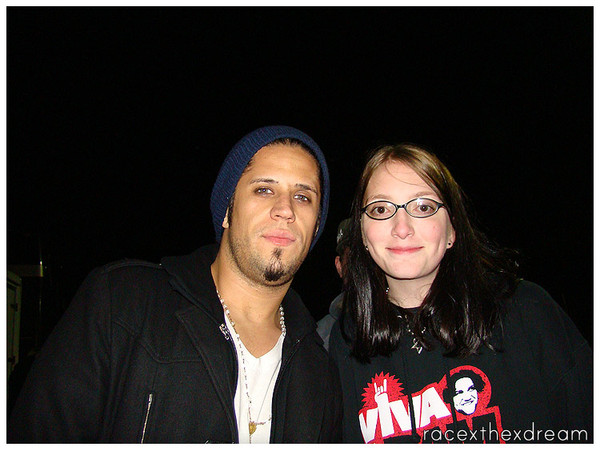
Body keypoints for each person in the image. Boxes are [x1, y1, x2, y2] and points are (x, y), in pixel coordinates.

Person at [9, 125, 342, 443]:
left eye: (303, 197)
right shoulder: (122, 306)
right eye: (264, 189)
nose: (285, 209)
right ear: (227, 211)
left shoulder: (321, 371)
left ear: (315, 228)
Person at [328, 143, 592, 443]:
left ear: (452, 229)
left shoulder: (526, 311)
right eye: (381, 209)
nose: (401, 228)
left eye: (423, 207)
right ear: (363, 233)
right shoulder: (348, 341)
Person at [317, 218, 350, 350]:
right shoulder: (320, 338)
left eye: (368, 253)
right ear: (339, 266)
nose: (362, 265)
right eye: (353, 256)